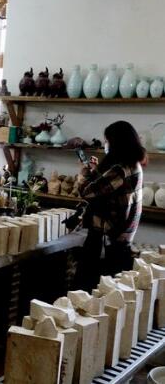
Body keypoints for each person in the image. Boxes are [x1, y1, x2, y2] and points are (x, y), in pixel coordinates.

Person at [75, 121, 145, 291]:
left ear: (116, 143)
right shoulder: (134, 164)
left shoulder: (120, 169)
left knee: (88, 290)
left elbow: (86, 191)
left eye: (107, 141)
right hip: (122, 239)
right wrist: (97, 172)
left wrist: (84, 172)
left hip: (107, 240)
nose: (105, 144)